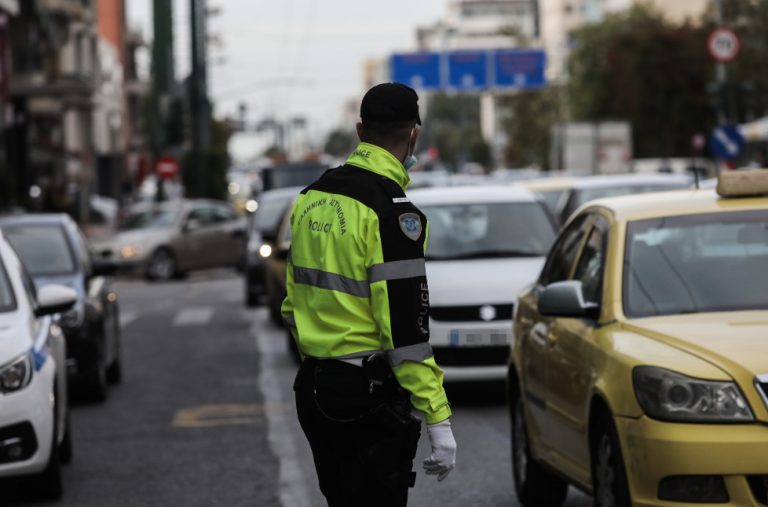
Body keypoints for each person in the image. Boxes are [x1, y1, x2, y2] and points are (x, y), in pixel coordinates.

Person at [282, 82, 456, 507]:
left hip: (315, 389)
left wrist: (323, 355)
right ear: (414, 135)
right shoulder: (392, 214)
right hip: (365, 397)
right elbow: (405, 330)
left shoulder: (311, 197)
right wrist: (437, 417)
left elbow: (291, 304)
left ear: (360, 131)